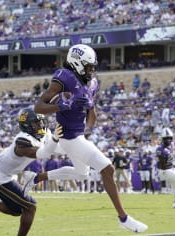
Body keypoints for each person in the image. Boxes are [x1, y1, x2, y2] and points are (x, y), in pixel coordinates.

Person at [31, 44, 148, 233]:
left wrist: (91, 105)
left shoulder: (92, 83)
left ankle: (37, 178)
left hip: (78, 135)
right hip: (69, 137)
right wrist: (63, 106)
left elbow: (91, 122)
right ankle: (123, 218)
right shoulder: (64, 77)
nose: (92, 70)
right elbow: (38, 107)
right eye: (88, 66)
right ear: (77, 64)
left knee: (82, 174)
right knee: (108, 169)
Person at [0, 108, 62, 236]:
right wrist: (55, 139)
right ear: (28, 126)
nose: (41, 126)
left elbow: (56, 148)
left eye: (41, 122)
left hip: (7, 174)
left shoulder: (42, 133)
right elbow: (43, 153)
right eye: (36, 123)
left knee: (16, 211)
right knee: (30, 206)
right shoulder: (22, 141)